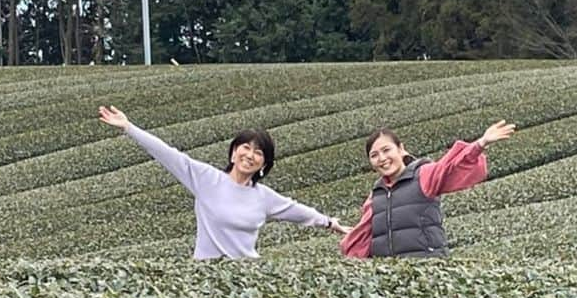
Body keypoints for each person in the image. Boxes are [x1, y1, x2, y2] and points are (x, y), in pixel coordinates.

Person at [98, 105, 350, 259]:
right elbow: (168, 154)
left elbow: (298, 211)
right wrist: (129, 127)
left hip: (245, 277)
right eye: (245, 148)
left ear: (264, 164)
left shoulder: (264, 197)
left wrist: (331, 224)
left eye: (259, 153)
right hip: (206, 273)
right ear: (233, 153)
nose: (250, 155)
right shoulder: (206, 179)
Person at [339, 120, 516, 258]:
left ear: (401, 149)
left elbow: (449, 166)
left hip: (426, 268)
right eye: (374, 155)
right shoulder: (375, 194)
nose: (382, 158)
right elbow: (363, 235)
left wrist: (480, 144)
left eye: (386, 150)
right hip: (390, 276)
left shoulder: (422, 174)